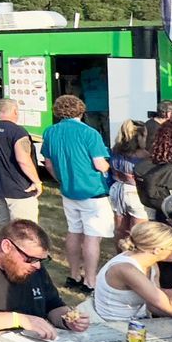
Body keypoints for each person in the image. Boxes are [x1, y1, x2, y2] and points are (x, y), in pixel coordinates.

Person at [39, 95, 113, 294]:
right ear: (81, 110)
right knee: (92, 236)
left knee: (74, 230)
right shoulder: (89, 133)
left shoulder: (50, 132)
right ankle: (90, 280)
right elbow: (99, 164)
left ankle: (73, 275)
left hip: (68, 189)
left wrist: (60, 179)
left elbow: (48, 163)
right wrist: (109, 166)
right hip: (92, 190)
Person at [87, 221, 172, 323]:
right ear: (157, 250)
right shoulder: (127, 270)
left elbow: (155, 305)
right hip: (113, 326)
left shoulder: (151, 265)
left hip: (137, 323)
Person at [0, 99, 44, 226]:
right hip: (19, 187)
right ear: (15, 111)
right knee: (24, 227)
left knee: (4, 225)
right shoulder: (18, 132)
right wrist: (37, 181)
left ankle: (5, 245)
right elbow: (23, 159)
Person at [107, 120, 150, 236]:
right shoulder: (144, 155)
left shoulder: (115, 150)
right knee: (139, 232)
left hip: (117, 189)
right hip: (136, 192)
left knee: (120, 230)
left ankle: (120, 253)